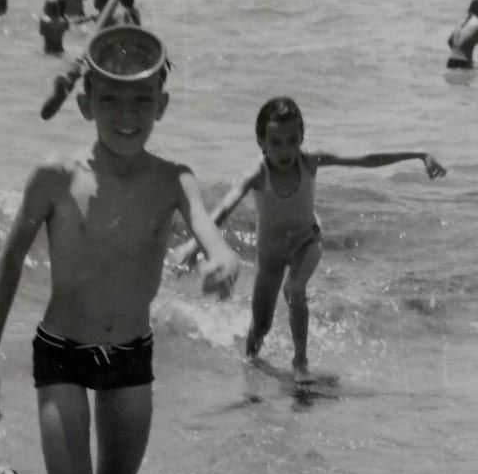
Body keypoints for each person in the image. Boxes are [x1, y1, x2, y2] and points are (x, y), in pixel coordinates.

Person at [0, 25, 240, 474]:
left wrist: (223, 256)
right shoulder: (53, 177)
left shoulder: (175, 178)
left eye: (142, 100)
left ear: (162, 106)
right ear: (86, 103)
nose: (127, 116)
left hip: (129, 358)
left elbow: (206, 226)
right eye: (112, 100)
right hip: (62, 353)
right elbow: (8, 263)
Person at [172, 96, 446, 384]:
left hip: (307, 240)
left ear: (302, 136)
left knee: (295, 288)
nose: (286, 150)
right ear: (261, 142)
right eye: (276, 142)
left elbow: (365, 160)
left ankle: (300, 362)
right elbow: (225, 207)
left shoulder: (309, 161)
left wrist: (418, 154)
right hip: (271, 253)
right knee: (261, 325)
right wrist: (194, 244)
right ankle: (251, 367)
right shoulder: (257, 173)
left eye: (293, 140)